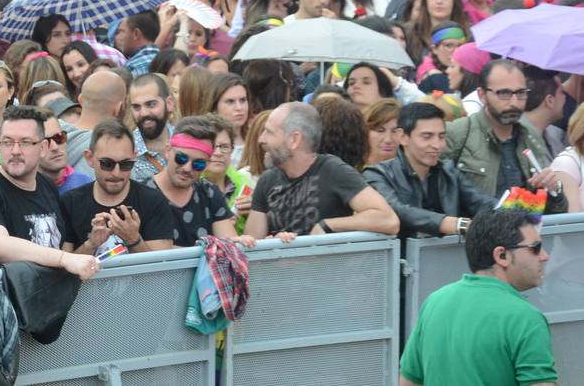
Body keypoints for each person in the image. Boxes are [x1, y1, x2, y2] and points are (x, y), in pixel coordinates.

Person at [399, 209, 557, 386]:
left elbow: (408, 381)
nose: (544, 256)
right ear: (501, 256)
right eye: (535, 248)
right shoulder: (526, 318)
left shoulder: (435, 301)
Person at [0, 105, 100, 278]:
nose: (15, 151)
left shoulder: (48, 187)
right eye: (8, 142)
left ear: (43, 147)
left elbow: (59, 245)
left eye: (25, 142)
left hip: (50, 299)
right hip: (6, 301)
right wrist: (64, 258)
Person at [243, 102, 399, 240]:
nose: (261, 139)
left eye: (269, 132)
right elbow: (252, 244)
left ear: (294, 140)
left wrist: (327, 225)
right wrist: (270, 243)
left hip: (326, 271)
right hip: (283, 271)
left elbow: (388, 220)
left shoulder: (332, 170)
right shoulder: (267, 180)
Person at [443, 59, 567, 211]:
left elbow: (551, 212)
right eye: (504, 93)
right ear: (482, 95)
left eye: (521, 93)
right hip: (475, 231)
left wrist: (555, 191)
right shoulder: (458, 133)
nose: (514, 102)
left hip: (526, 231)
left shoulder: (531, 136)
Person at [363, 102, 496, 238]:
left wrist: (509, 211)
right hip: (399, 257)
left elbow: (481, 201)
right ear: (402, 137)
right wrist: (454, 224)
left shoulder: (448, 171)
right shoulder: (377, 174)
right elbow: (397, 210)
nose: (437, 145)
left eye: (442, 136)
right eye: (427, 137)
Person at [60, 118, 174, 257]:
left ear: (134, 157)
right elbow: (64, 272)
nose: (116, 173)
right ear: (89, 158)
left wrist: (134, 240)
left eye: (125, 164)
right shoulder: (70, 203)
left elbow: (162, 269)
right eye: (107, 164)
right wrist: (91, 244)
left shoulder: (154, 201)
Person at [149, 115, 252, 247]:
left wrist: (241, 242)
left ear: (207, 163)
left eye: (198, 164)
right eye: (181, 158)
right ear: (168, 151)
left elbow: (229, 245)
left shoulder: (210, 193)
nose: (187, 168)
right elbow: (156, 253)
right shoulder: (143, 194)